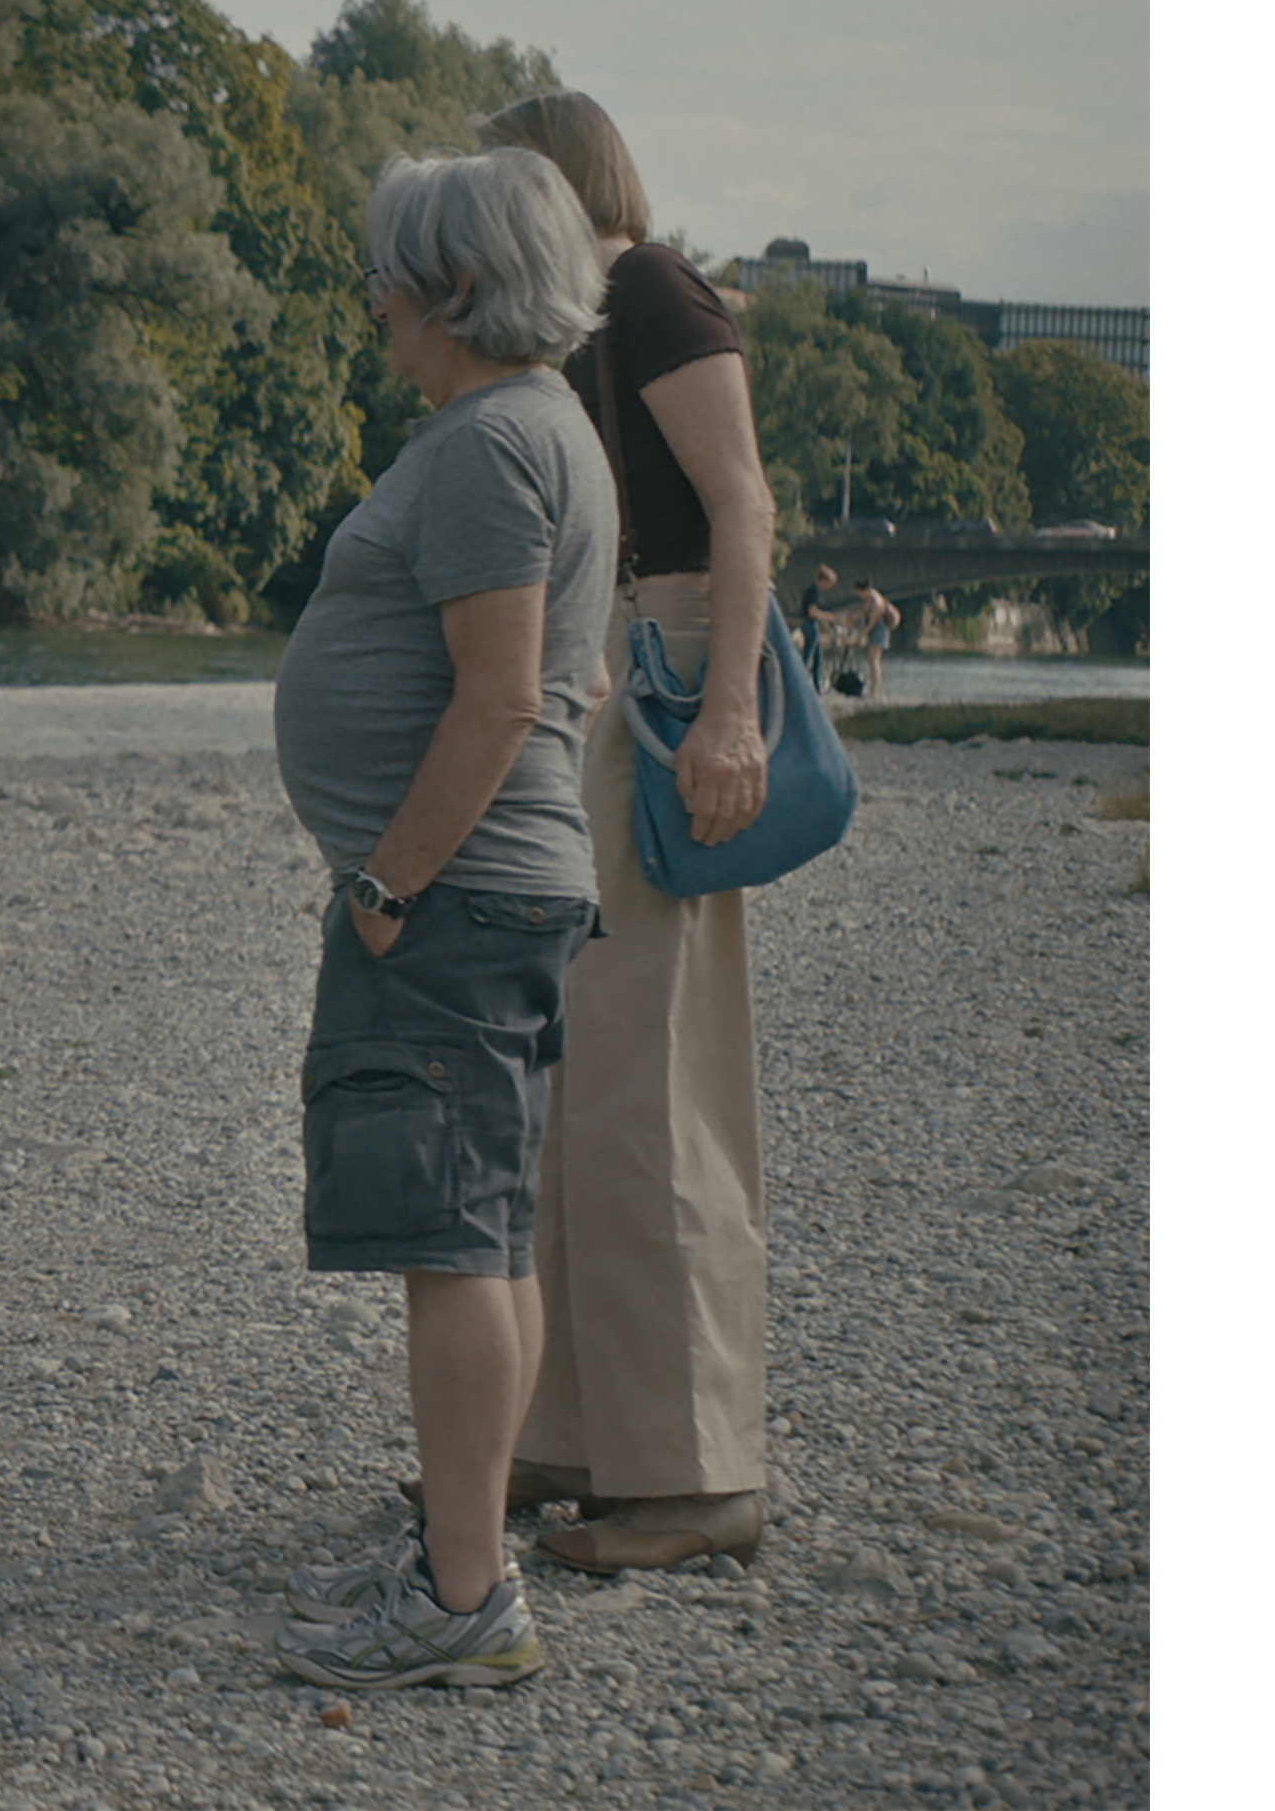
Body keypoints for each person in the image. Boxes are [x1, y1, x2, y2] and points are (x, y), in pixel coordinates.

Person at [268, 146, 612, 1691]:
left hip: (456, 896)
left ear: (456, 286)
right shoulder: (543, 426)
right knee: (487, 1233)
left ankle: (465, 1596)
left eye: (386, 283)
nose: (376, 311)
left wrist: (388, 885)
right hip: (496, 892)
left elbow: (500, 695)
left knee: (453, 1246)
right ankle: (462, 1556)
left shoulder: (489, 443)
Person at [472, 89, 781, 1577]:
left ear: (551, 178)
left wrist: (730, 716)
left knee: (651, 1083)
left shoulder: (652, 287)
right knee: (575, 1072)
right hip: (610, 670)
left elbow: (741, 507)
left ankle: (696, 1470)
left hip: (667, 675)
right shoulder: (574, 322)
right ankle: (574, 1434)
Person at [792, 561, 846, 683]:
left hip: (810, 624)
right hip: (810, 625)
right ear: (824, 580)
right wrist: (829, 617)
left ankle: (817, 686)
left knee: (818, 658)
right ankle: (800, 682)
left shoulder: (811, 589)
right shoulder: (814, 591)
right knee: (808, 657)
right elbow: (813, 612)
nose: (829, 587)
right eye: (830, 584)